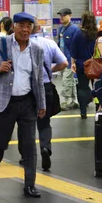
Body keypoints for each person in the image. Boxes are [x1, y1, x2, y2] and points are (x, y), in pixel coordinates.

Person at [0, 12, 46, 198]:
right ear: (14, 26)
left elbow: (39, 79)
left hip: (27, 103)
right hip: (4, 103)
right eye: (21, 25)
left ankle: (30, 185)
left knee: (29, 146)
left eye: (28, 26)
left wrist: (42, 103)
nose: (25, 30)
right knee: (0, 144)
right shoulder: (0, 43)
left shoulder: (37, 50)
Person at [28, 24, 68, 171]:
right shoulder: (49, 43)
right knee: (44, 123)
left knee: (27, 123)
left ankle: (26, 155)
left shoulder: (22, 44)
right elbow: (64, 62)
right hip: (45, 87)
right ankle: (45, 147)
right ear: (39, 28)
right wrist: (51, 70)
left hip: (27, 89)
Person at [70, 12, 96, 119]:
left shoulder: (78, 33)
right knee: (98, 86)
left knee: (82, 88)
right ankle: (99, 108)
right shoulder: (97, 34)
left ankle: (83, 112)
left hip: (82, 65)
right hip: (95, 65)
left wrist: (73, 63)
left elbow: (73, 51)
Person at [57, 8, 79, 111]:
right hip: (61, 59)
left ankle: (66, 101)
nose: (61, 17)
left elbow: (76, 46)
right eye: (60, 15)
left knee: (67, 80)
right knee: (70, 80)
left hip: (71, 60)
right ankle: (75, 101)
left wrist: (74, 60)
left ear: (70, 15)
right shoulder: (60, 29)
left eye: (64, 15)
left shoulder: (74, 29)